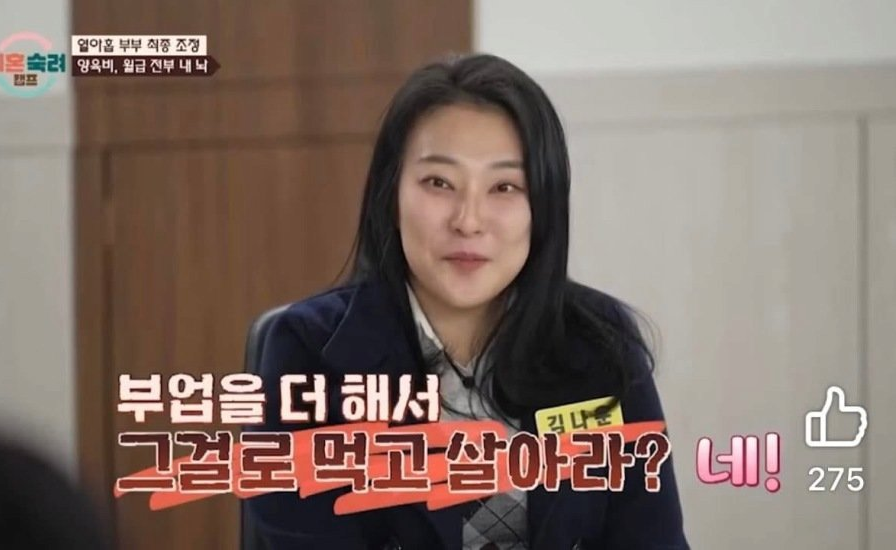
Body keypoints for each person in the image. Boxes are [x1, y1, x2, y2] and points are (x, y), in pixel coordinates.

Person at [246, 52, 690, 550]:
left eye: (504, 186)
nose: (468, 221)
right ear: (391, 196)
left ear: (543, 207)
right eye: (439, 183)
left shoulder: (601, 342)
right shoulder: (309, 354)